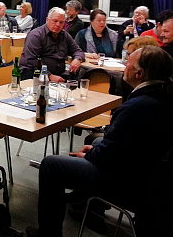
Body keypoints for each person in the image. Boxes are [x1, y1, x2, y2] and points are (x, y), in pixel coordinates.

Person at [26, 46, 173, 237]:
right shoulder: (163, 96)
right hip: (153, 177)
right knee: (95, 141)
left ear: (139, 73)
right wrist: (97, 150)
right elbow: (122, 144)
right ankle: (85, 207)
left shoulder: (137, 106)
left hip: (130, 182)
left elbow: (109, 154)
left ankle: (48, 233)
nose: (125, 66)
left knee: (51, 165)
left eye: (128, 63)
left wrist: (91, 154)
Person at [20, 7, 85, 81]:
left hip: (59, 74)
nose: (58, 24)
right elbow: (30, 62)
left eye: (61, 22)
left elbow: (78, 51)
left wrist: (77, 59)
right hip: (35, 74)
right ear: (47, 20)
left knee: (84, 73)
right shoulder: (35, 35)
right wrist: (49, 76)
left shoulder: (64, 35)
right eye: (55, 21)